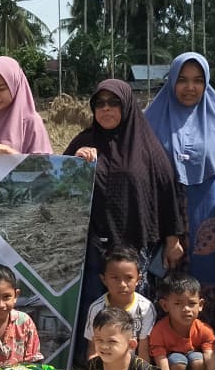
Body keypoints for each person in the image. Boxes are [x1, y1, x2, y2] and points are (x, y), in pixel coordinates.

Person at [65, 80, 185, 347]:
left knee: (133, 309)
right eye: (100, 104)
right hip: (94, 245)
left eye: (113, 103)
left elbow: (168, 192)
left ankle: (135, 363)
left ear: (128, 106)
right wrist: (76, 161)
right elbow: (58, 185)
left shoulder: (147, 148)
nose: (106, 109)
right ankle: (96, 362)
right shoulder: (84, 141)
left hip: (136, 244)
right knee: (97, 306)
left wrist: (173, 238)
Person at [146, 53, 215, 291]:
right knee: (167, 284)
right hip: (164, 219)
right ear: (172, 81)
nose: (190, 87)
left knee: (210, 282)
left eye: (198, 80)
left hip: (209, 216)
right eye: (182, 80)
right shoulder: (152, 119)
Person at [81, 246, 158, 362]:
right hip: (105, 367)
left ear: (138, 279)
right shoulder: (97, 308)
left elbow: (143, 350)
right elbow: (93, 349)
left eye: (128, 278)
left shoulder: (146, 308)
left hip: (133, 367)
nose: (122, 284)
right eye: (115, 278)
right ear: (104, 280)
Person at [0, 56, 52, 155]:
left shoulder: (31, 122)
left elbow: (44, 166)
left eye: (1, 89)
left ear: (15, 86)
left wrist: (8, 152)